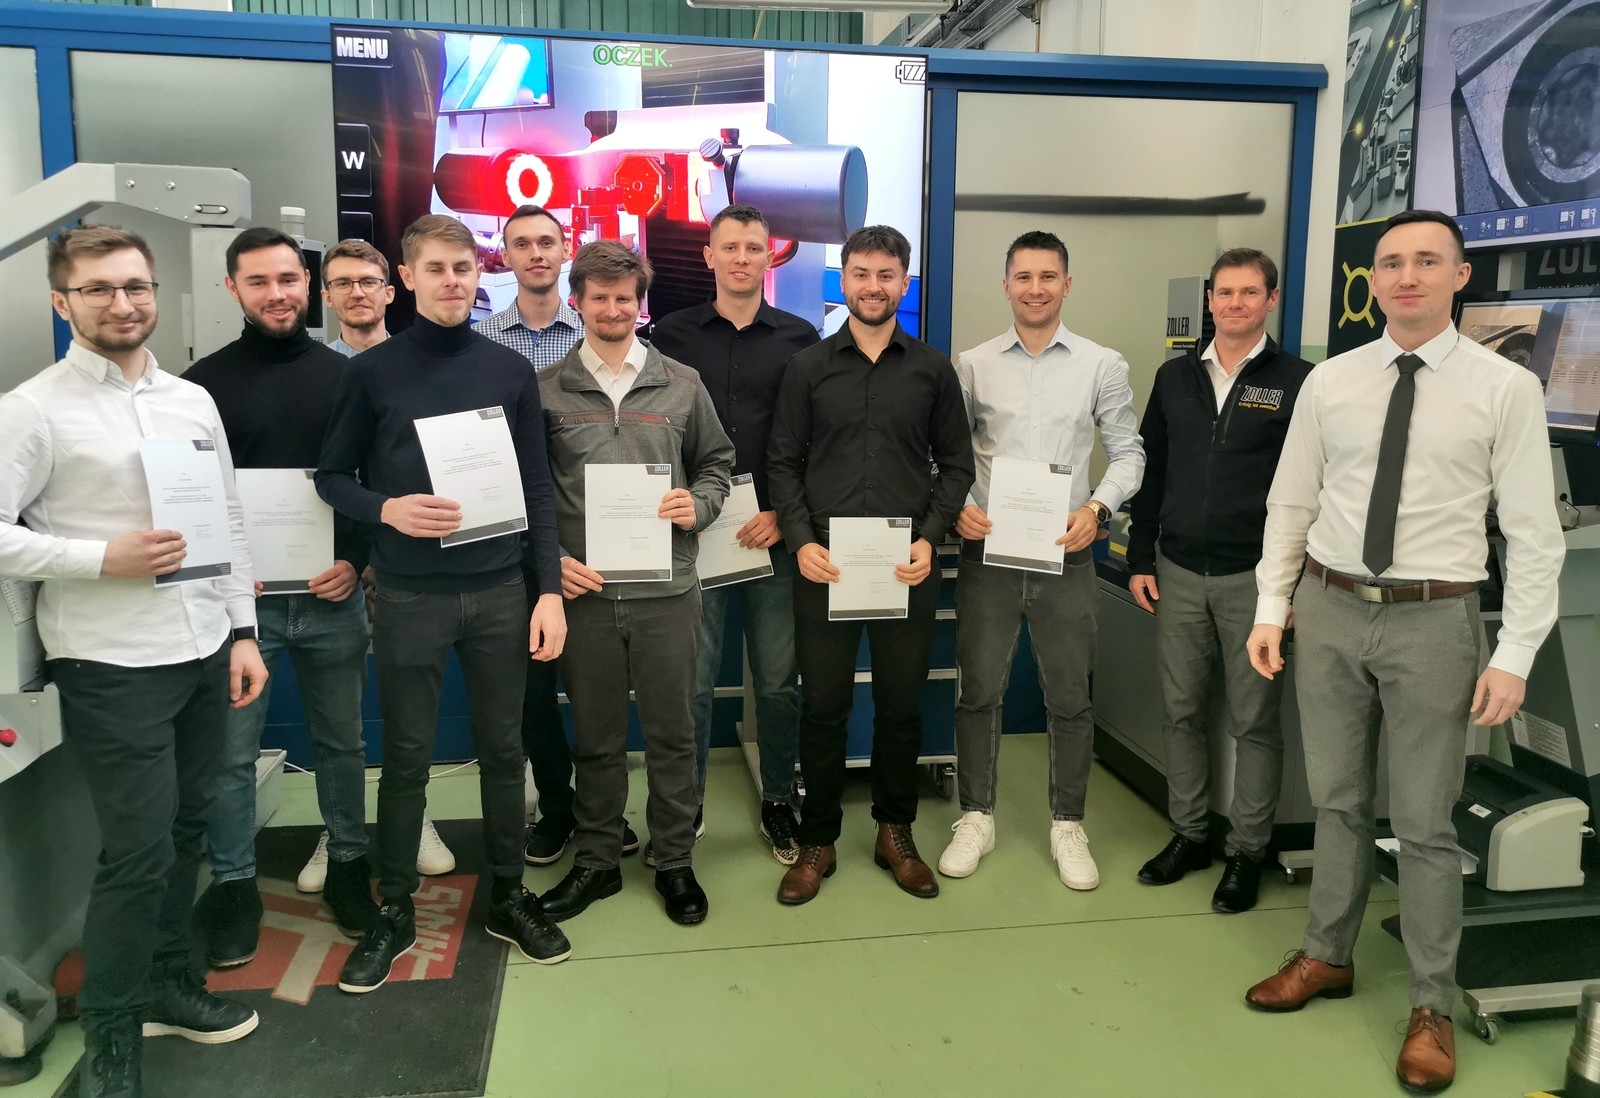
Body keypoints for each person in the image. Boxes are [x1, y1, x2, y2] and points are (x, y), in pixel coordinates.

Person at [1242, 210, 1563, 1095]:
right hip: (1330, 607)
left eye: (1427, 261)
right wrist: (1273, 606)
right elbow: (1291, 502)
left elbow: (1533, 533)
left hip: (1436, 621)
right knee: (1338, 801)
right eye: (1391, 263)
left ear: (1460, 276)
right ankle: (1326, 954)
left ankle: (1430, 1003)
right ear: (1373, 280)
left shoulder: (1505, 389)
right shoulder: (1333, 382)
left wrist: (1516, 653)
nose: (1406, 276)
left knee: (1424, 822)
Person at [0, 226, 266, 1096]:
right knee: (138, 853)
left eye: (136, 286)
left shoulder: (190, 400)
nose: (122, 304)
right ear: (62, 301)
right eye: (99, 289)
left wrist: (242, 631)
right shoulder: (33, 410)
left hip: (202, 648)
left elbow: (226, 515)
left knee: (187, 830)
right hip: (111, 663)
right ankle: (112, 1039)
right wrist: (97, 558)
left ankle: (166, 984)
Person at [316, 214, 572, 992]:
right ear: (407, 278)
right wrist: (387, 510)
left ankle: (508, 896)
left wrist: (549, 590)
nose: (452, 281)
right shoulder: (371, 373)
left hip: (499, 592)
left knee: (504, 751)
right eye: (436, 268)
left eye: (463, 267)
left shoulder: (509, 372)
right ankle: (395, 908)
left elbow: (536, 488)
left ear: (478, 272)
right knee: (406, 757)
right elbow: (333, 479)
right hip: (408, 596)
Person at [185, 227, 378, 968]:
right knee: (232, 757)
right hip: (243, 609)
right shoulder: (199, 387)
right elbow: (192, 497)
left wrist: (354, 560)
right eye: (259, 281)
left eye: (289, 279)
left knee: (343, 743)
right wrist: (227, 573)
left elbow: (368, 479)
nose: (277, 294)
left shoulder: (346, 376)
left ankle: (350, 864)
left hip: (333, 596)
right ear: (232, 288)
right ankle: (235, 885)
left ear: (309, 285)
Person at [767, 224, 975, 905]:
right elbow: (782, 464)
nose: (873, 286)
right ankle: (818, 840)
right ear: (845, 279)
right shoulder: (808, 368)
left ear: (903, 283)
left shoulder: (932, 371)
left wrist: (931, 538)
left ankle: (895, 832)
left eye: (886, 275)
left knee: (900, 704)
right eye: (861, 273)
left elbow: (958, 466)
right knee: (823, 706)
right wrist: (800, 541)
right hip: (824, 565)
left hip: (904, 566)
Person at [936, 230, 1144, 892]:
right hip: (989, 554)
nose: (1035, 288)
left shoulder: (1101, 364)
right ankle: (977, 816)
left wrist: (1098, 510)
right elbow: (947, 454)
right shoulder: (972, 364)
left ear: (1066, 284)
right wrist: (960, 505)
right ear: (1006, 286)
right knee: (979, 693)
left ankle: (1067, 824)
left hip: (1066, 555)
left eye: (1048, 276)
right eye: (1023, 277)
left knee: (1071, 697)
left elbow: (1129, 453)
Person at [536, 240, 735, 926]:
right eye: (599, 297)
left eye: (624, 297)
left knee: (673, 734)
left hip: (667, 594)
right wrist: (551, 559)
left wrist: (699, 504)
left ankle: (674, 859)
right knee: (595, 737)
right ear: (578, 302)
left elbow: (717, 463)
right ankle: (596, 861)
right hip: (585, 597)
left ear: (639, 303)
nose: (613, 309)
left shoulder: (681, 383)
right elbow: (533, 490)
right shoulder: (547, 390)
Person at [1126, 248, 1312, 914]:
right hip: (1177, 571)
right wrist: (1140, 557)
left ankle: (1247, 852)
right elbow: (1151, 468)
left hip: (1255, 582)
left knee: (1253, 722)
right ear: (1209, 301)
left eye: (1249, 292)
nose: (1235, 303)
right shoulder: (1174, 376)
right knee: (1181, 712)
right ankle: (1190, 834)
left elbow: (1315, 489)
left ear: (1271, 299)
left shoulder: (1299, 381)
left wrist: (1290, 590)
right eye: (1224, 293)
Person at [647, 203, 819, 865]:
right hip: (696, 532)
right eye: (730, 247)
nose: (742, 258)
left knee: (777, 682)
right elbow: (656, 429)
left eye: (753, 247)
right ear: (709, 256)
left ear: (770, 256)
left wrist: (783, 513)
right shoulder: (670, 334)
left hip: (770, 532)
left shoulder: (801, 338)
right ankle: (685, 810)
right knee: (691, 683)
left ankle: (778, 799)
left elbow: (814, 437)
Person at [475, 204, 639, 864]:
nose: (536, 252)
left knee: (601, 692)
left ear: (566, 249)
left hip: (601, 546)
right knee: (534, 692)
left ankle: (602, 811)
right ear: (505, 254)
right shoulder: (483, 342)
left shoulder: (602, 327)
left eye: (547, 241)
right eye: (522, 243)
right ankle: (558, 806)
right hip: (516, 544)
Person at [322, 238, 395, 356]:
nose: (357, 293)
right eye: (343, 284)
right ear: (328, 298)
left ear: (388, 294)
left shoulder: (418, 362)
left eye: (368, 282)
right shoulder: (317, 366)